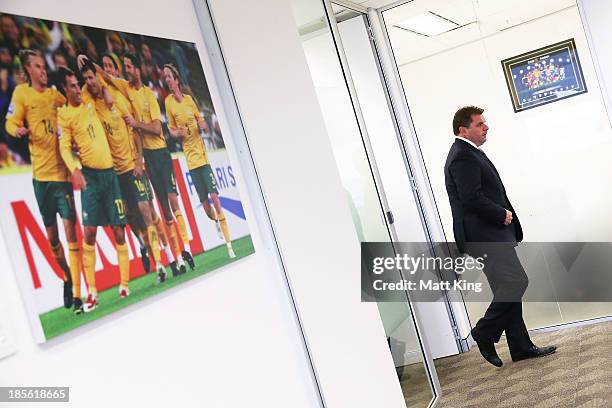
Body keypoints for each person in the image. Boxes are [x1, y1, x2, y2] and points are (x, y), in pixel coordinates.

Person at [444, 106, 557, 367]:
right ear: (463, 129)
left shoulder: (468, 152)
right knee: (515, 282)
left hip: (488, 234)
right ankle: (484, 332)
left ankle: (520, 346)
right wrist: (500, 214)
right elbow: (471, 197)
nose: (486, 127)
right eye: (480, 124)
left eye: (485, 123)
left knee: (507, 287)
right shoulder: (463, 155)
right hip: (485, 235)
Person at [80, 60, 181, 283]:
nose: (90, 82)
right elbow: (80, 95)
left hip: (132, 168)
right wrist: (93, 80)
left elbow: (135, 132)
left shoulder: (119, 101)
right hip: (114, 174)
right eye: (86, 79)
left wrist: (138, 161)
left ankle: (171, 257)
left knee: (149, 212)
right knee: (134, 220)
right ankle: (158, 261)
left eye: (93, 77)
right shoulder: (91, 105)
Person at [100, 53, 193, 274]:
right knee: (140, 214)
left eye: (119, 66)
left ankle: (177, 254)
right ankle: (154, 251)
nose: (111, 70)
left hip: (149, 157)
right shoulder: (112, 94)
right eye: (106, 67)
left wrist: (137, 133)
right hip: (126, 165)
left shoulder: (136, 94)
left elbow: (151, 130)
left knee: (159, 206)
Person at [5, 49, 81, 313]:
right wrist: (17, 129)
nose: (42, 71)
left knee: (71, 230)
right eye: (37, 67)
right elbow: (9, 123)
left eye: (43, 67)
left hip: (61, 177)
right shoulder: (22, 95)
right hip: (41, 179)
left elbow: (73, 108)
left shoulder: (53, 96)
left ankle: (79, 290)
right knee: (53, 240)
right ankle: (68, 277)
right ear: (27, 70)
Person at [57, 67, 131, 312]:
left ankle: (124, 285)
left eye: (79, 84)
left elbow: (98, 80)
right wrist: (75, 169)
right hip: (89, 177)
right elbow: (65, 147)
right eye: (72, 86)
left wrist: (84, 60)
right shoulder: (64, 116)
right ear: (64, 90)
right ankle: (92, 293)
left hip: (110, 175)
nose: (78, 89)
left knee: (119, 230)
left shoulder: (89, 99)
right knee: (89, 233)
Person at [163, 64, 235, 258]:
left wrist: (202, 125)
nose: (167, 80)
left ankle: (229, 246)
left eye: (169, 76)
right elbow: (170, 129)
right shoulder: (168, 103)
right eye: (165, 77)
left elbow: (201, 120)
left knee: (215, 199)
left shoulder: (189, 100)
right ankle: (216, 223)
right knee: (206, 207)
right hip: (191, 162)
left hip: (203, 159)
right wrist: (176, 133)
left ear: (176, 79)